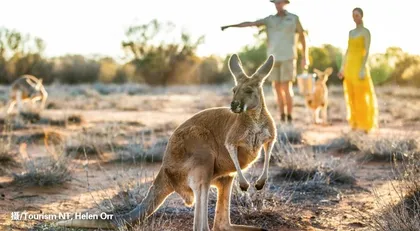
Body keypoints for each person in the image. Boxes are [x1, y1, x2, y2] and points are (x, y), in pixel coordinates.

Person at [221, 0, 309, 124]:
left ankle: (289, 117)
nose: (277, 5)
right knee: (277, 88)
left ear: (285, 3)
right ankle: (282, 116)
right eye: (276, 3)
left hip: (288, 57)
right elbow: (250, 23)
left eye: (280, 2)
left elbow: (302, 36)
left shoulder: (293, 18)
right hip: (272, 59)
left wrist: (305, 57)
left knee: (286, 86)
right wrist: (230, 26)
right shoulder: (270, 19)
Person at [338, 7, 378, 133]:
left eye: (357, 15)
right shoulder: (351, 32)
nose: (355, 17)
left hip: (360, 67)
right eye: (353, 15)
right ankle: (354, 124)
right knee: (351, 97)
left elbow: (366, 51)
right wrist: (342, 68)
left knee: (361, 97)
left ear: (361, 16)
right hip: (349, 67)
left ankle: (365, 125)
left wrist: (362, 68)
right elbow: (347, 51)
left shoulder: (366, 32)